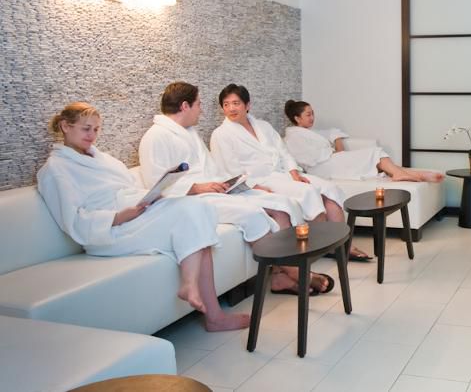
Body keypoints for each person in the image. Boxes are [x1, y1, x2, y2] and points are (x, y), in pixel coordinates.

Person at [37, 102, 249, 331]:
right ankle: (208, 309)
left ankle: (206, 306)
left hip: (135, 215)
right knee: (192, 218)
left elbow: (126, 188)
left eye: (97, 129)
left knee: (196, 210)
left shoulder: (101, 159)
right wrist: (119, 216)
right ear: (65, 127)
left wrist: (151, 196)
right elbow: (74, 222)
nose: (92, 135)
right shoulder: (55, 170)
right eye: (86, 129)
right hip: (110, 231)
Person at [138, 82, 333, 295]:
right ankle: (297, 273)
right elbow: (155, 184)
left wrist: (234, 183)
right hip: (190, 199)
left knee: (281, 205)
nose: (201, 109)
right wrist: (197, 187)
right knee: (253, 214)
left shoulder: (189, 133)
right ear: (185, 106)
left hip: (214, 190)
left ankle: (279, 277)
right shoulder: (155, 137)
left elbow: (212, 169)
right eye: (199, 104)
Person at [209, 84, 372, 261]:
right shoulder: (221, 134)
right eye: (226, 104)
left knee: (328, 188)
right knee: (308, 191)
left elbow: (283, 151)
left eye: (236, 103)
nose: (231, 108)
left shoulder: (263, 126)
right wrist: (257, 187)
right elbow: (230, 171)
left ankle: (343, 245)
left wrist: (294, 172)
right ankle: (321, 248)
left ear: (247, 105)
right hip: (260, 180)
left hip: (283, 173)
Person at [283, 100, 443, 183]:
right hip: (322, 168)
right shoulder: (293, 136)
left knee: (377, 155)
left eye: (313, 113)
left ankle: (410, 174)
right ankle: (405, 173)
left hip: (333, 160)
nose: (312, 117)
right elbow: (307, 160)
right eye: (308, 115)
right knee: (375, 153)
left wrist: (339, 150)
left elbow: (334, 133)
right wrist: (332, 153)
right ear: (297, 118)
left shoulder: (311, 132)